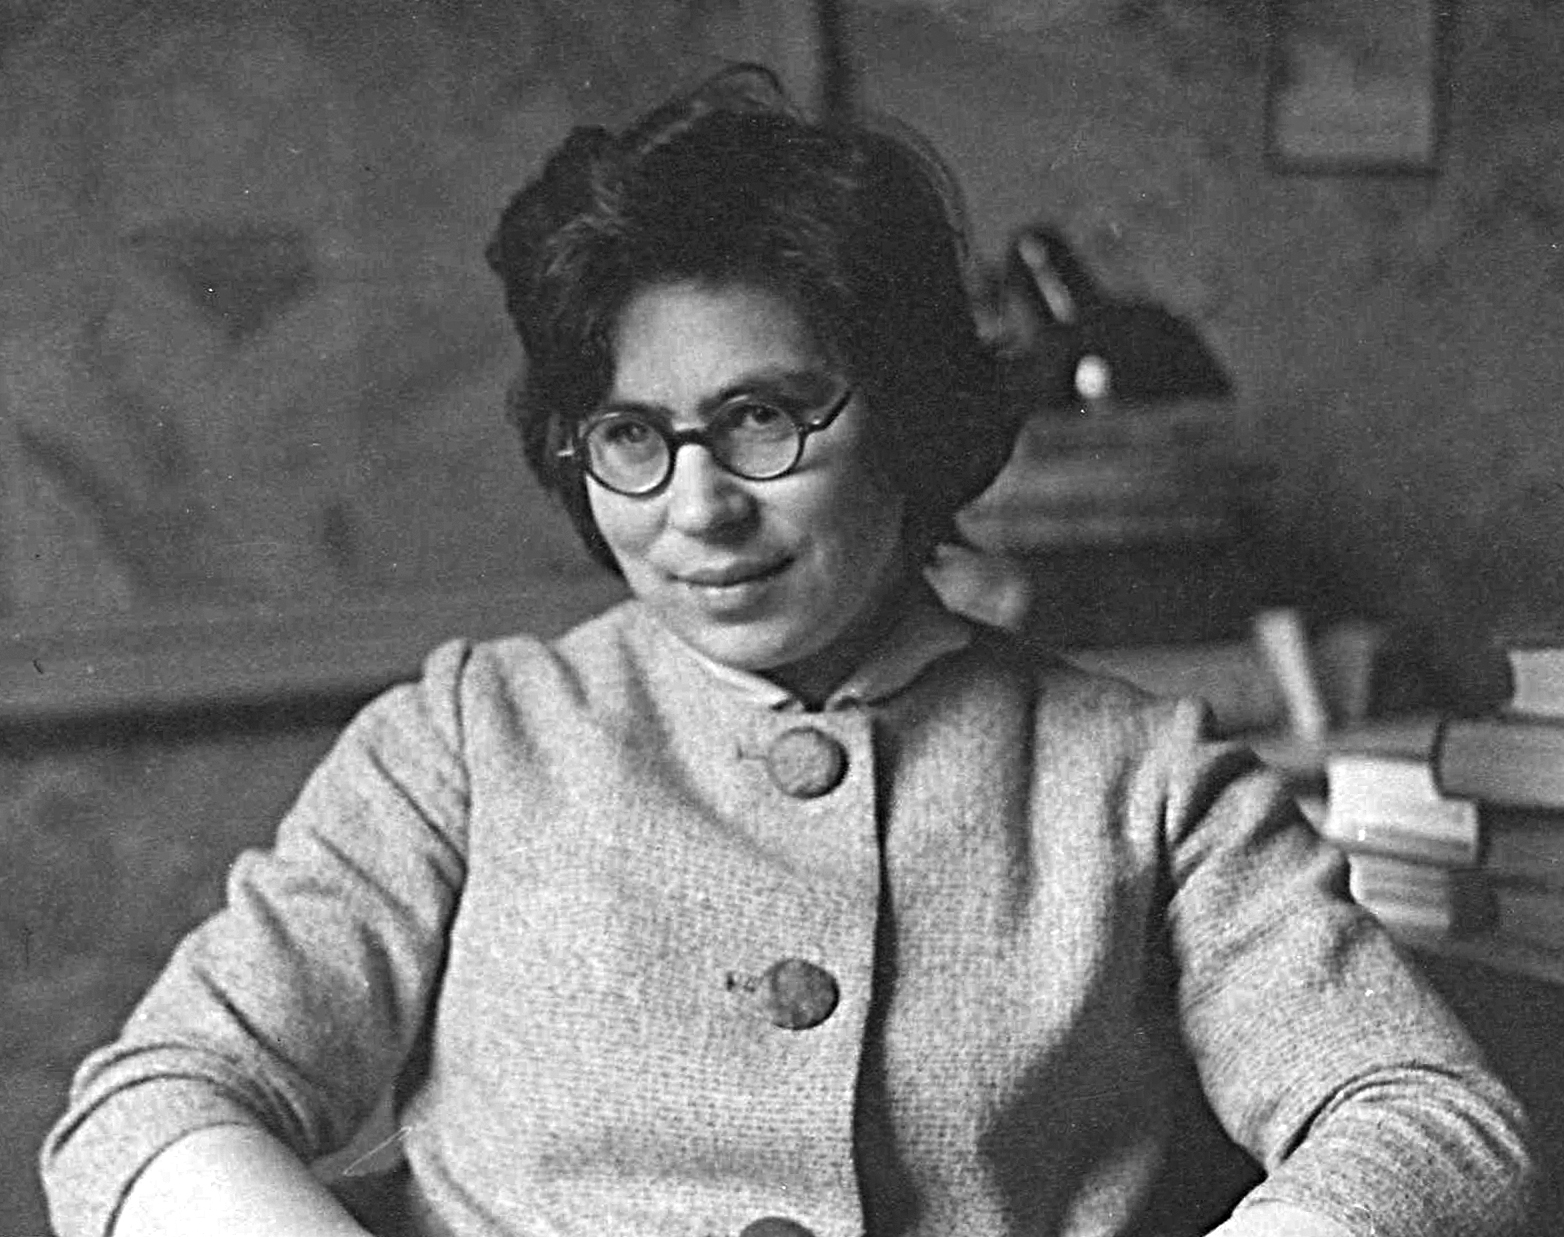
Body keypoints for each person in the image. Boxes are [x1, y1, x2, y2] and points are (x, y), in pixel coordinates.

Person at [40, 65, 1533, 1237]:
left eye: (763, 418)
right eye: (632, 435)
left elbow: (1428, 1115)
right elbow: (154, 1103)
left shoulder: (1142, 781)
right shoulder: (467, 743)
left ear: (910, 410)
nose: (699, 507)